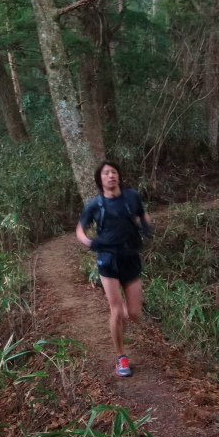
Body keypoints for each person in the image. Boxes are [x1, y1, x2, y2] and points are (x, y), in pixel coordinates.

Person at [76, 161, 153, 377]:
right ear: (100, 180)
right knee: (117, 310)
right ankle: (121, 357)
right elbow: (80, 229)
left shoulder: (131, 197)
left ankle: (117, 320)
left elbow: (141, 215)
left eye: (114, 172)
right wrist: (90, 243)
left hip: (130, 257)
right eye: (106, 173)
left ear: (119, 176)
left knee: (135, 312)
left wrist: (146, 225)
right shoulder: (96, 205)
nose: (111, 176)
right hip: (108, 259)